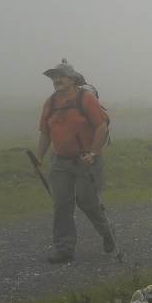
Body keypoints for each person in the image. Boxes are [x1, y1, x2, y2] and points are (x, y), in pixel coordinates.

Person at [36, 59, 114, 263]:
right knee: (62, 204)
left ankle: (107, 233)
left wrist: (93, 153)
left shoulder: (86, 98)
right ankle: (64, 248)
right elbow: (45, 132)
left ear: (72, 79)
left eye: (61, 76)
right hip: (60, 162)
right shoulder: (50, 103)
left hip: (86, 161)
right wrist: (38, 158)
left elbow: (102, 126)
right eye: (54, 77)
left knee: (87, 201)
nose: (56, 80)